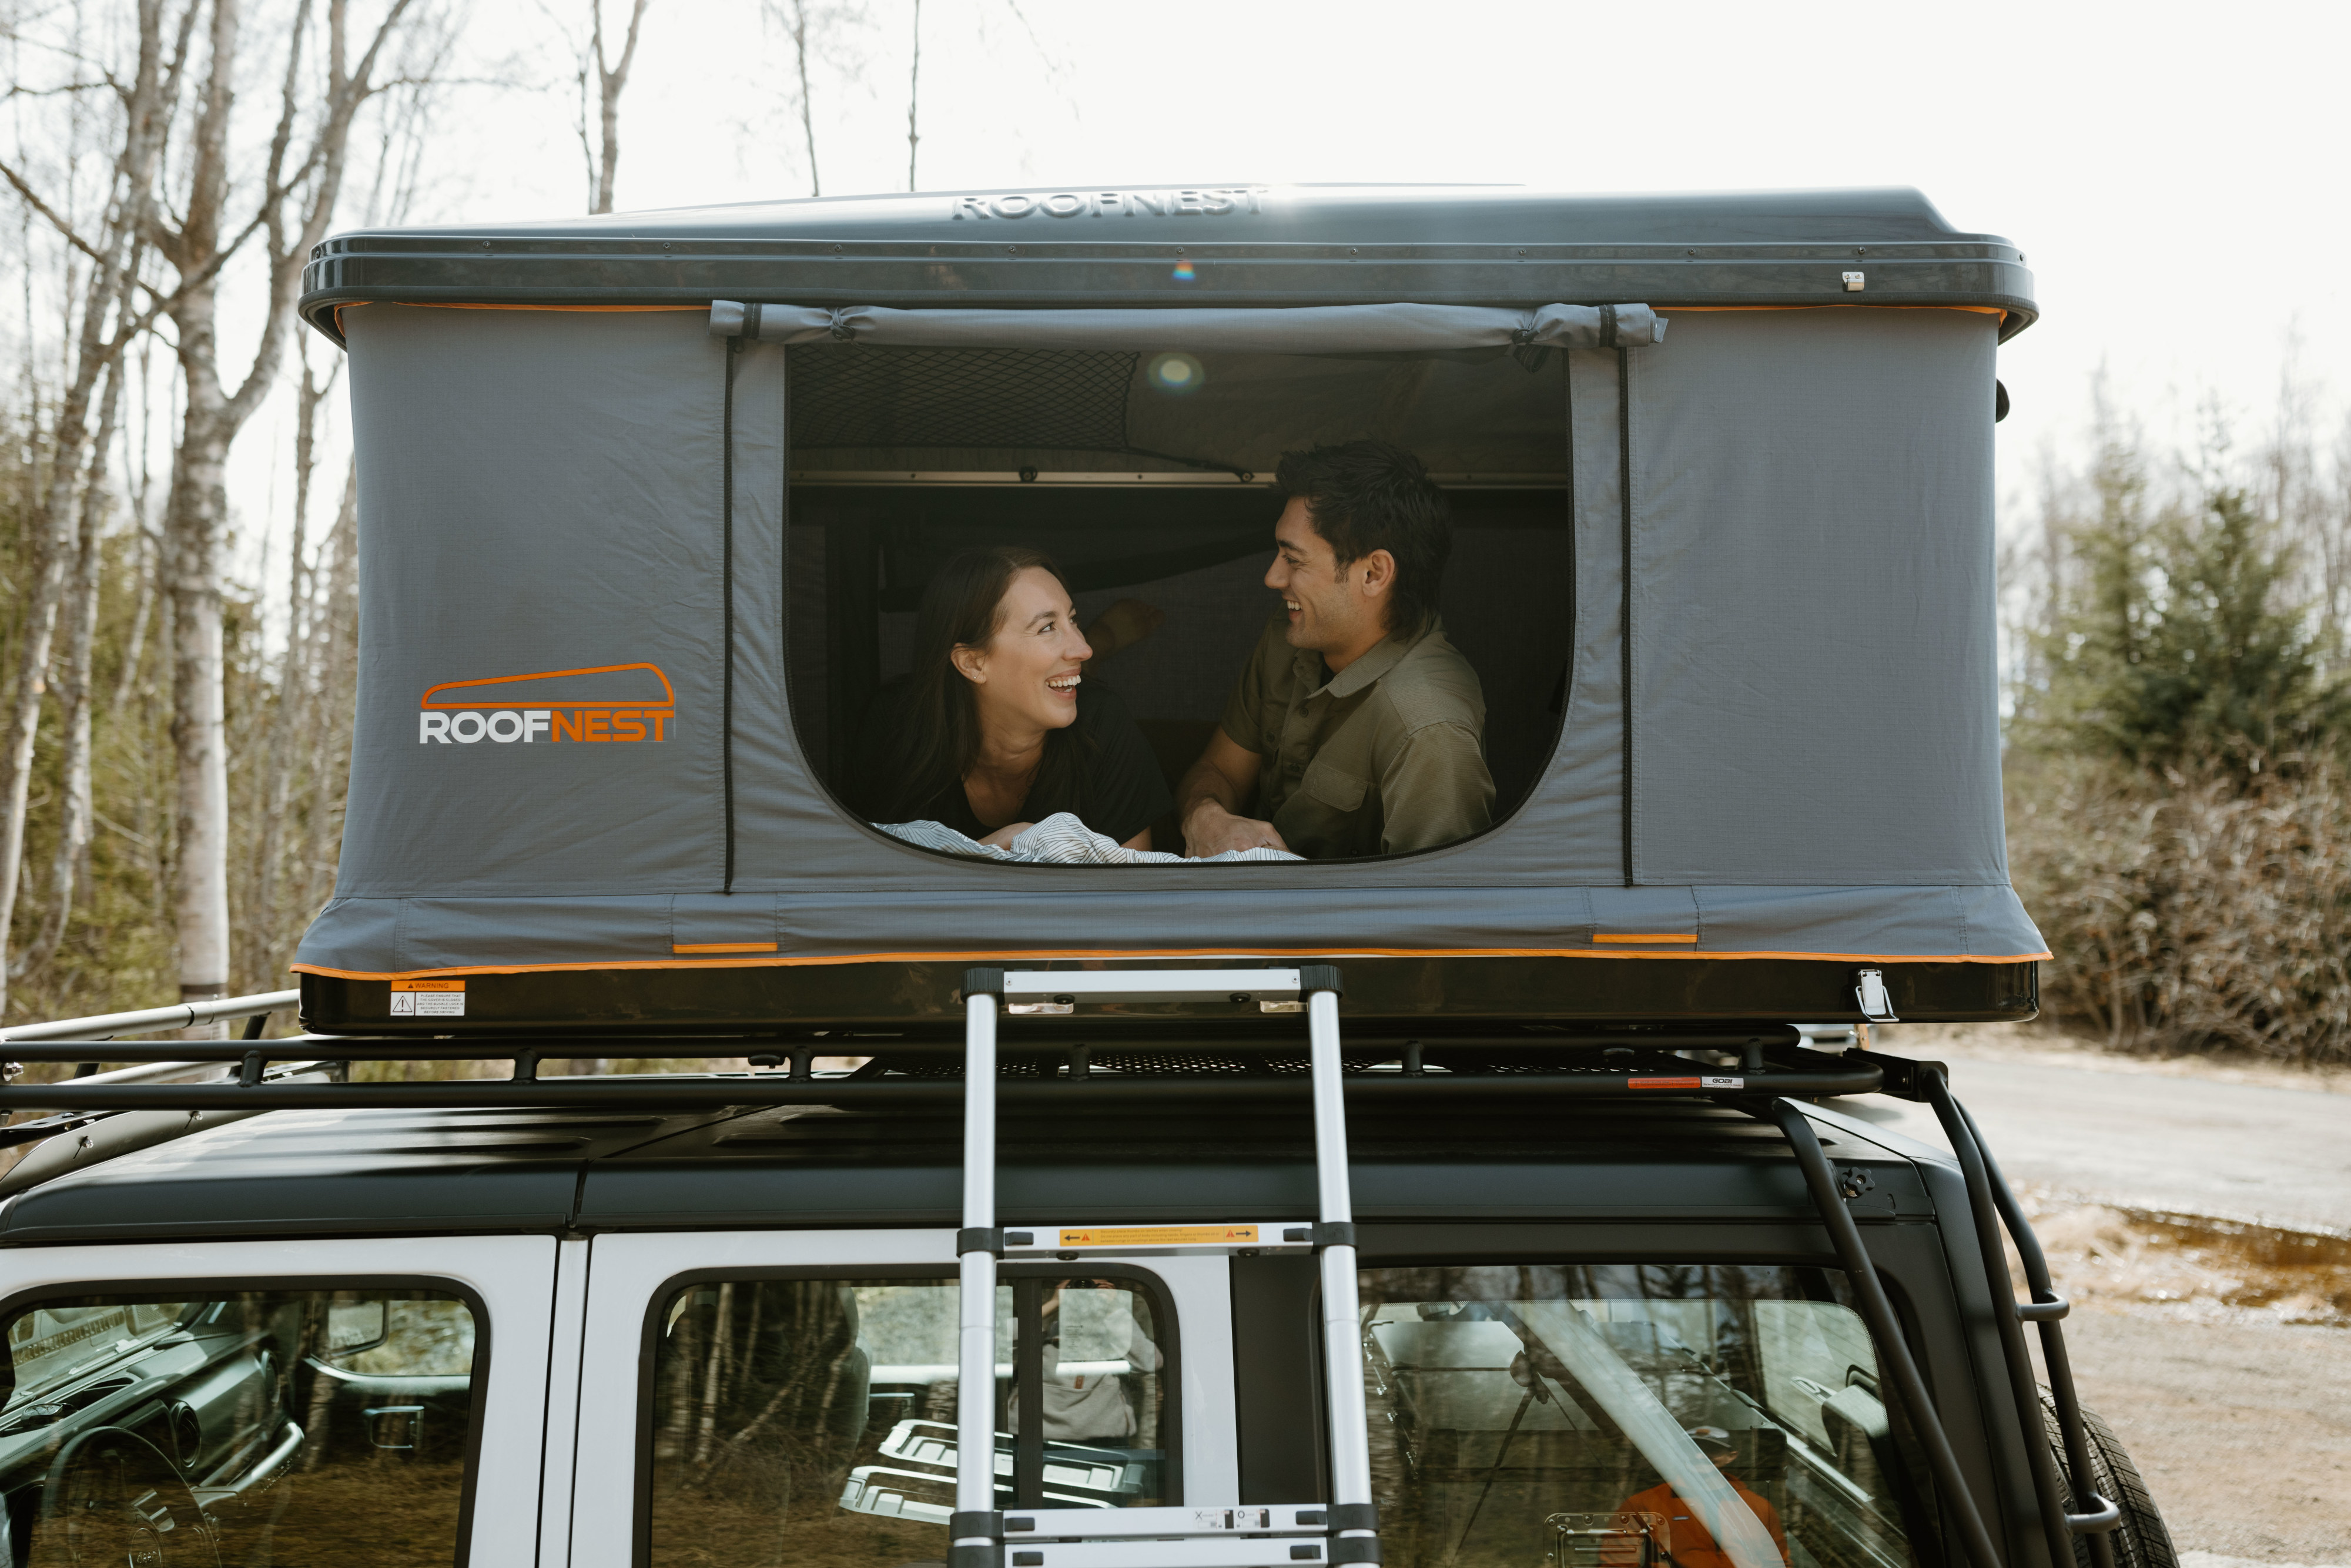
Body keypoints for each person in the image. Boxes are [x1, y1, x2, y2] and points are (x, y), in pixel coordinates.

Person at [1176, 440, 1493, 859]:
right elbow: (1219, 770)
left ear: (1374, 573)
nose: (1273, 578)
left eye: (1295, 560)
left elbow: (1433, 913)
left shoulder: (1429, 729)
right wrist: (1205, 815)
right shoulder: (1290, 636)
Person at [849, 545, 1171, 849]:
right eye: (1047, 627)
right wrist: (1000, 846)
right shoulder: (896, 724)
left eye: (1073, 620)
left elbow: (1132, 897)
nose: (1081, 648)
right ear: (973, 663)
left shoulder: (1102, 724)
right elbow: (853, 886)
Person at [1613, 1426, 1791, 1568]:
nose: (1699, 1456)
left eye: (1711, 1450)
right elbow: (1617, 1563)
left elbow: (1778, 1563)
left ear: (1731, 1456)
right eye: (1691, 1450)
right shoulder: (1645, 1503)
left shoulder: (1757, 1505)